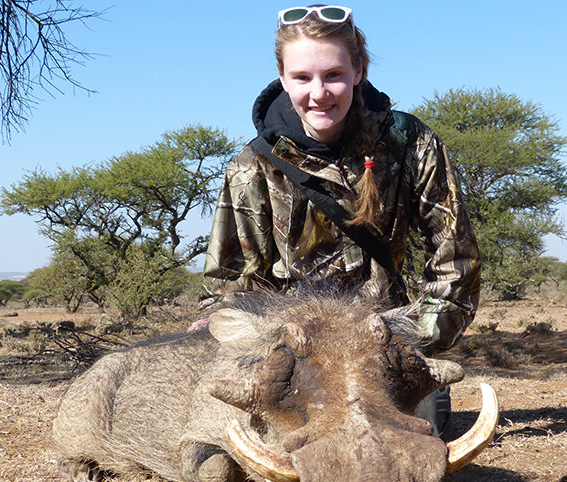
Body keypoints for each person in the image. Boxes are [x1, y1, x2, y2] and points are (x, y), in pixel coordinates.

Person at [199, 5, 481, 435]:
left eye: (333, 75)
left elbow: (455, 264)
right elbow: (230, 287)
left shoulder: (413, 143)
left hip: (386, 348)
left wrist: (412, 344)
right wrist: (249, 343)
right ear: (282, 76)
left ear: (358, 71)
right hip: (296, 361)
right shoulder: (251, 166)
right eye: (302, 78)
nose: (319, 93)